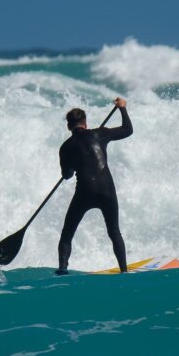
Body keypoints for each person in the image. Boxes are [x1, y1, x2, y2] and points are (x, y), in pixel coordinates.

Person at [56, 97, 132, 274]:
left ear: (69, 126)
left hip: (84, 192)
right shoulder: (100, 133)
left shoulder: (65, 147)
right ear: (85, 123)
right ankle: (124, 271)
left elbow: (66, 175)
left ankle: (62, 270)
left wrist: (73, 166)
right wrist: (122, 108)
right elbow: (128, 130)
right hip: (106, 190)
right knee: (114, 232)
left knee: (67, 235)